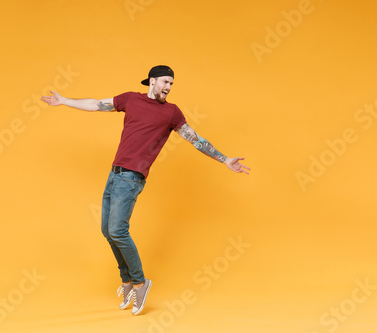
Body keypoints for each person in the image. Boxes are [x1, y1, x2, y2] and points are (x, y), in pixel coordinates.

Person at [41, 65, 250, 316]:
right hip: (114, 173)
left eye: (171, 84)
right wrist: (64, 100)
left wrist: (224, 159)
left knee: (118, 230)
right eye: (164, 82)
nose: (168, 87)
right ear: (151, 81)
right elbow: (97, 104)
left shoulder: (171, 112)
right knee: (107, 230)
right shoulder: (130, 99)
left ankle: (140, 283)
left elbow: (195, 138)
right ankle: (127, 281)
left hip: (131, 178)